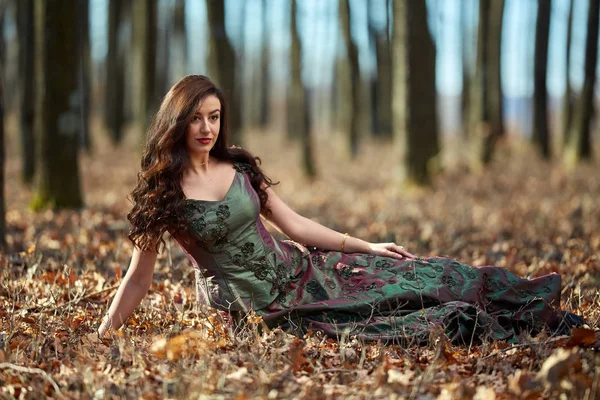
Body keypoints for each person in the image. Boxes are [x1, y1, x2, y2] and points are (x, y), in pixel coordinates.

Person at [97, 75, 583, 344]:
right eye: (196, 118)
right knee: (419, 319)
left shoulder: (238, 168)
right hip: (266, 307)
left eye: (215, 117)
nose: (207, 128)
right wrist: (104, 334)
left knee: (424, 276)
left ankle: (534, 309)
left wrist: (366, 245)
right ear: (177, 122)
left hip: (303, 270)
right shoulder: (163, 195)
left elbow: (295, 224)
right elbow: (138, 277)